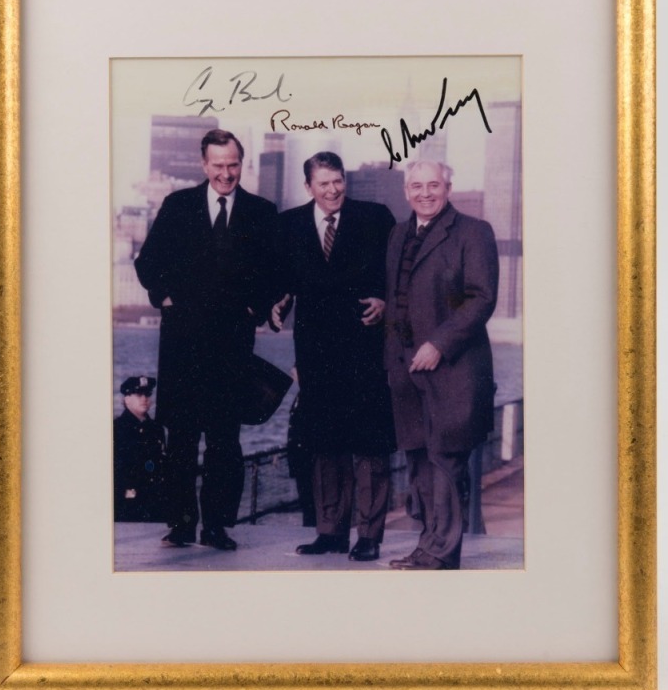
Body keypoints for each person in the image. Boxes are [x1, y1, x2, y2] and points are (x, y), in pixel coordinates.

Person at [135, 129, 278, 550]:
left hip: (232, 346)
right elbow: (147, 262)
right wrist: (163, 296)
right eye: (217, 165)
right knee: (180, 438)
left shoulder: (261, 211)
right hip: (181, 344)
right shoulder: (177, 206)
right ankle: (181, 524)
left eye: (233, 164)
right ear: (203, 164)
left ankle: (216, 527)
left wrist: (258, 305)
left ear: (242, 163)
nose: (226, 173)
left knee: (223, 440)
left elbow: (273, 271)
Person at [272, 151, 396, 562]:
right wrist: (278, 301)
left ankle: (369, 534)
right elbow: (280, 279)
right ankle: (330, 532)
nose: (333, 189)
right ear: (308, 187)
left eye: (338, 180)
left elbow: (395, 275)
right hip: (315, 352)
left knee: (369, 445)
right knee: (324, 445)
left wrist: (384, 300)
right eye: (324, 183)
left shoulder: (376, 217)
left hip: (365, 348)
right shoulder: (288, 224)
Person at [384, 160, 499, 570]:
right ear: (406, 191)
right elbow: (401, 296)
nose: (425, 193)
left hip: (453, 370)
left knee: (445, 461)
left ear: (449, 187)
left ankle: (441, 552)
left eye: (434, 185)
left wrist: (438, 343)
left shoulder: (474, 231)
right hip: (406, 372)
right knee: (418, 460)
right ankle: (428, 544)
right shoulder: (399, 234)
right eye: (417, 186)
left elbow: (482, 298)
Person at [113, 376, 167, 522]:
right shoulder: (116, 429)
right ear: (126, 399)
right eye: (138, 394)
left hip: (155, 502)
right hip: (127, 503)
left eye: (147, 394)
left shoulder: (156, 429)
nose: (144, 398)